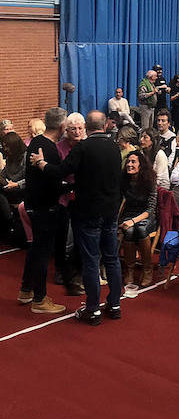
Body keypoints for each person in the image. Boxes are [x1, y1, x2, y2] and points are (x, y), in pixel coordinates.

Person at [33, 111, 123, 324]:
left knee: (91, 259)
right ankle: (115, 304)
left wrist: (41, 163)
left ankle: (93, 309)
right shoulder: (114, 146)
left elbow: (61, 170)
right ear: (105, 126)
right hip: (111, 210)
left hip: (88, 211)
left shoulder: (83, 147)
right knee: (111, 258)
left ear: (86, 127)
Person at [19, 107, 69, 314]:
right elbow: (56, 182)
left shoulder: (36, 143)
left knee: (35, 249)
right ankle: (39, 299)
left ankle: (26, 290)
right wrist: (72, 186)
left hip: (32, 203)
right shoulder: (50, 149)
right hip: (45, 207)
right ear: (62, 126)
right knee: (41, 252)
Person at [116, 151, 159, 291]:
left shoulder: (150, 179)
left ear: (141, 165)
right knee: (129, 231)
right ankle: (129, 270)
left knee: (139, 229)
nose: (129, 164)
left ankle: (147, 268)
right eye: (128, 162)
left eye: (133, 162)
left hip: (146, 216)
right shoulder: (124, 180)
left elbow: (151, 209)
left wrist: (133, 221)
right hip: (129, 214)